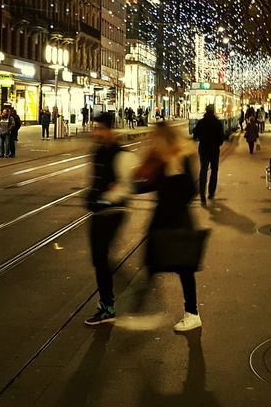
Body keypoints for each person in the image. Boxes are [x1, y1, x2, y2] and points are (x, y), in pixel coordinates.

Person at [134, 121, 203, 332]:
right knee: (152, 262)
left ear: (164, 138)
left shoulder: (181, 156)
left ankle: (191, 313)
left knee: (183, 267)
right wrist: (130, 187)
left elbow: (191, 189)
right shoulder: (163, 158)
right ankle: (144, 310)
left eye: (155, 137)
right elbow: (154, 183)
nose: (152, 141)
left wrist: (170, 195)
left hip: (177, 218)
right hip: (164, 218)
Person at [84, 113, 138, 325]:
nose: (95, 132)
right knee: (99, 259)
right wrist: (92, 196)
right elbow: (95, 179)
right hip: (98, 211)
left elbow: (128, 186)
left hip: (113, 213)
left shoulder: (121, 155)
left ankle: (107, 306)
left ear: (109, 130)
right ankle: (107, 302)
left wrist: (107, 197)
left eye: (99, 129)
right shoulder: (97, 152)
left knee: (101, 257)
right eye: (94, 128)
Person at [191, 105, 225, 205]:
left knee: (203, 171)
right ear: (213, 111)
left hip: (203, 149)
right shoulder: (218, 123)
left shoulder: (201, 122)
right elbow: (221, 138)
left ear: (206, 111)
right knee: (214, 170)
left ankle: (202, 194)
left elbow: (195, 135)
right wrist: (217, 143)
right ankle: (211, 192)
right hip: (214, 150)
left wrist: (200, 138)